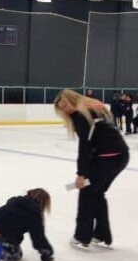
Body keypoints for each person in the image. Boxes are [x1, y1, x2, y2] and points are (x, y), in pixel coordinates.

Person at [54, 89, 129, 249]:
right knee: (97, 193)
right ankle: (101, 235)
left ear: (72, 100)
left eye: (65, 105)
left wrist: (81, 174)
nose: (65, 110)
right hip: (120, 156)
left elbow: (85, 147)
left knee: (87, 192)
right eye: (61, 108)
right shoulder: (90, 109)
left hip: (109, 157)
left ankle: (82, 236)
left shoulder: (81, 115)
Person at [0, 188, 54, 261]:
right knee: (16, 255)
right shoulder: (35, 215)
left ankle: (4, 242)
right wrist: (47, 255)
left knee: (15, 229)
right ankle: (6, 247)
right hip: (4, 234)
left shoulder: (16, 200)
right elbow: (38, 238)